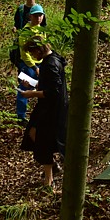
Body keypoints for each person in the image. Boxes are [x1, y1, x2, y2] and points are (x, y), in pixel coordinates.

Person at [20, 37, 68, 187]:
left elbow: (53, 92)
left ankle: (49, 180)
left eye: (33, 52)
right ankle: (52, 168)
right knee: (33, 135)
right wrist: (34, 85)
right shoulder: (51, 61)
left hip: (52, 109)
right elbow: (50, 85)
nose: (33, 56)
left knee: (43, 140)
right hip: (46, 107)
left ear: (39, 49)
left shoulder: (51, 64)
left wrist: (32, 94)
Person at [15, 4, 47, 124]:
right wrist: (34, 67)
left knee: (41, 89)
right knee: (24, 88)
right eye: (36, 16)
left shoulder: (42, 30)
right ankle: (21, 117)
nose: (38, 18)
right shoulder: (26, 32)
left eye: (40, 15)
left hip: (41, 63)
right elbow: (24, 53)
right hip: (28, 66)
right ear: (30, 16)